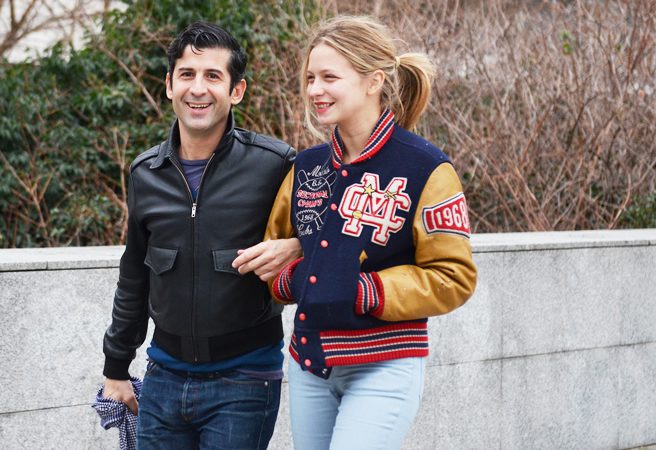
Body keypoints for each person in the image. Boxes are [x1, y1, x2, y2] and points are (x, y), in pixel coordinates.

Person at [262, 15, 478, 449]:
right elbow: (273, 259)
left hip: (385, 365)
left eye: (329, 78)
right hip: (309, 363)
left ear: (373, 81)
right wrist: (294, 276)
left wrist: (362, 290)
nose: (314, 90)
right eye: (310, 78)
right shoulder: (306, 167)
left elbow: (454, 276)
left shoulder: (426, 167)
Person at [101, 21, 300, 449]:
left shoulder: (276, 164)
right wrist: (116, 367)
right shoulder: (145, 172)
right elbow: (134, 274)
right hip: (163, 378)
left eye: (213, 76)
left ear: (236, 90)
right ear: (169, 85)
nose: (198, 88)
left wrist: (296, 244)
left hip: (245, 381)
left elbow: (329, 241)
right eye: (187, 74)